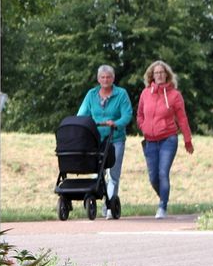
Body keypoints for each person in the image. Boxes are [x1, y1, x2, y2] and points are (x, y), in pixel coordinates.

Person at [136, 60, 194, 219]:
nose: (159, 75)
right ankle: (163, 196)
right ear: (152, 76)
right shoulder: (145, 93)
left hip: (168, 139)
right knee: (153, 177)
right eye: (156, 73)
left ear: (167, 75)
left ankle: (162, 206)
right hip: (150, 141)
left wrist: (187, 140)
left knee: (163, 173)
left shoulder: (175, 95)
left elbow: (182, 119)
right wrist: (144, 126)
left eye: (162, 72)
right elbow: (140, 115)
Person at [77, 65, 133, 218]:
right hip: (96, 139)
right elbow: (82, 114)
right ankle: (97, 198)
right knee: (98, 172)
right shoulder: (91, 94)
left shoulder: (121, 94)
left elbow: (127, 114)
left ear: (113, 78)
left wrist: (116, 123)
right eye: (103, 77)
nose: (105, 80)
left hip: (115, 138)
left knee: (113, 174)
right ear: (98, 79)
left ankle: (108, 207)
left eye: (108, 77)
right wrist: (83, 124)